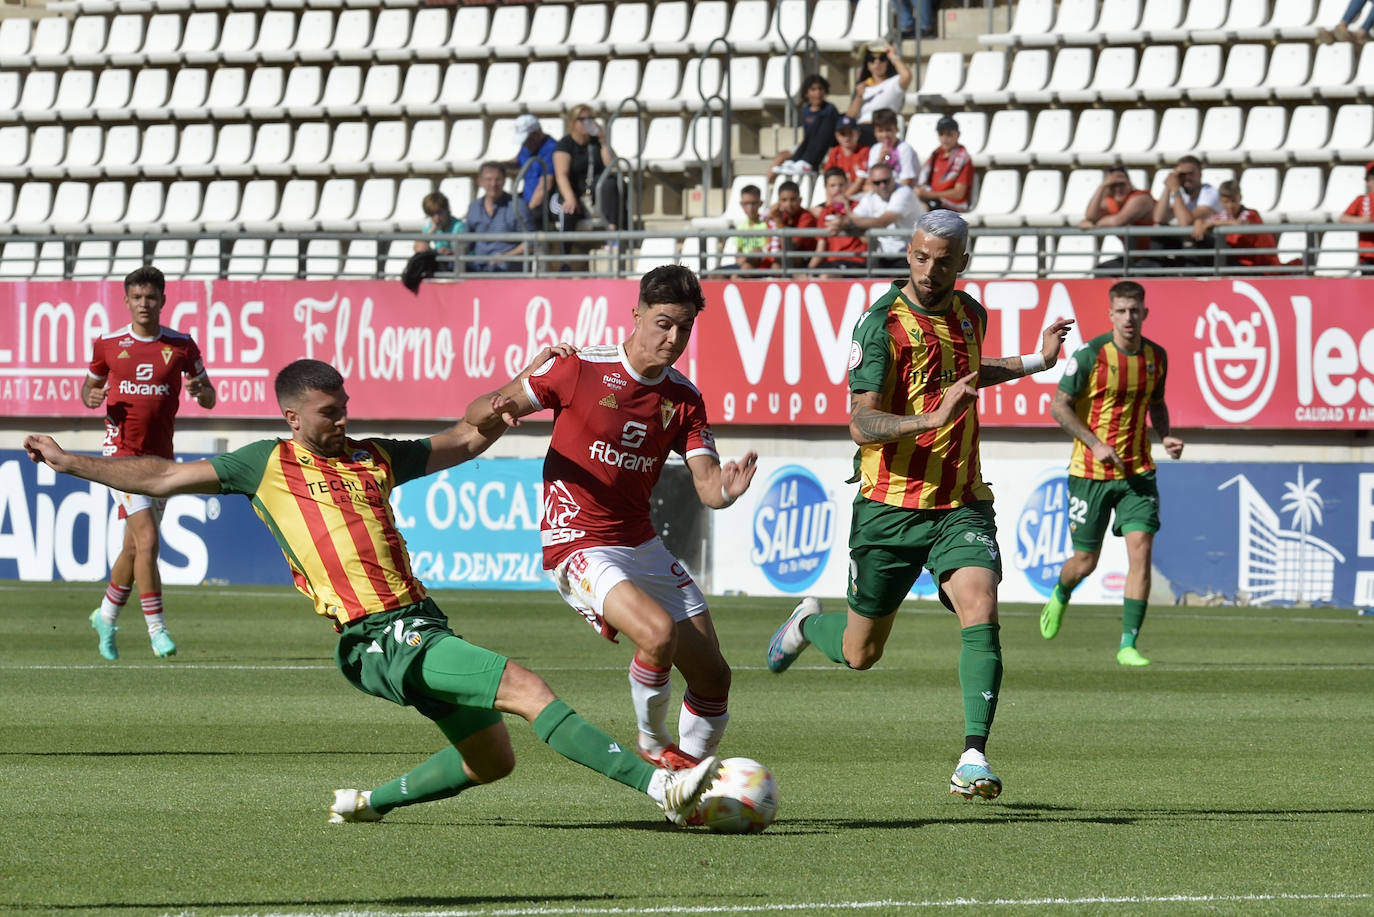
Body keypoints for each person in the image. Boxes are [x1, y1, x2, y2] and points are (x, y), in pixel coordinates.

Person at [25, 355, 721, 827]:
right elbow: (159, 477)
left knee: (493, 759)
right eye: (329, 411)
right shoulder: (262, 464)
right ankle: (660, 785)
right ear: (293, 418)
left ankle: (366, 802)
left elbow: (462, 439)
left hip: (416, 621)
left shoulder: (372, 455)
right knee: (525, 686)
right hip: (375, 636)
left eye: (345, 406)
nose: (342, 419)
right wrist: (68, 461)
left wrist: (515, 393)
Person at [764, 209, 1074, 801]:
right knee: (861, 653)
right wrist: (930, 418)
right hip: (889, 505)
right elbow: (860, 421)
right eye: (919, 256)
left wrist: (1035, 361)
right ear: (908, 253)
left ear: (964, 262)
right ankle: (809, 625)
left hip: (961, 499)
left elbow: (968, 372)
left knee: (981, 607)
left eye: (942, 260)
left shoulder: (971, 314)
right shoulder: (880, 325)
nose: (929, 270)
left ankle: (972, 756)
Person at [464, 265, 759, 772]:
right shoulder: (577, 368)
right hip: (576, 540)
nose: (673, 337)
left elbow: (709, 488)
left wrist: (727, 492)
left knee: (713, 676)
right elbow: (476, 414)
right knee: (657, 635)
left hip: (640, 544)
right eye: (663, 323)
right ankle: (652, 744)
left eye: (684, 328)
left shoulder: (683, 399)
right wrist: (498, 404)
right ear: (637, 314)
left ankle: (684, 788)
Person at [1040, 281, 1184, 667]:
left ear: (1145, 313)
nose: (1128, 318)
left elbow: (1157, 403)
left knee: (1141, 552)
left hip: (1138, 473)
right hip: (1090, 474)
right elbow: (1059, 408)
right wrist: (1095, 443)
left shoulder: (1157, 357)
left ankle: (1128, 645)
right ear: (1110, 314)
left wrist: (1166, 434)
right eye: (1121, 311)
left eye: (1135, 311)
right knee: (1085, 561)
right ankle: (1061, 591)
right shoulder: (1090, 356)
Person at [82, 265, 216, 660]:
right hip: (119, 455)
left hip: (161, 459)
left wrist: (201, 389)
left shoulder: (182, 346)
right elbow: (89, 387)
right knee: (150, 540)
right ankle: (156, 629)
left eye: (151, 297)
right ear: (126, 300)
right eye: (137, 297)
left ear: (163, 300)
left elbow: (208, 398)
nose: (144, 304)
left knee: (132, 548)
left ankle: (105, 616)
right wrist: (90, 397)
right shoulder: (108, 344)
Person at [831, 162, 923, 272]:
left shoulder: (904, 193)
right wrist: (840, 221)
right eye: (877, 182)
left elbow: (883, 222)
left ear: (893, 179)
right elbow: (854, 217)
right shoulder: (870, 197)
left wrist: (848, 222)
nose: (882, 185)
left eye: (886, 181)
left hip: (910, 257)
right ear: (871, 183)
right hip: (883, 257)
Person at [553, 104, 618, 233]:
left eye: (590, 118)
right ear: (572, 123)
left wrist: (603, 140)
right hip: (573, 191)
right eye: (582, 119)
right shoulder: (565, 144)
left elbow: (611, 166)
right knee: (568, 211)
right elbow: (561, 175)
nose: (587, 122)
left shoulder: (596, 142)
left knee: (611, 183)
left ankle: (613, 232)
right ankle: (565, 251)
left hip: (594, 191)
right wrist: (570, 197)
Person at [1079, 167, 1157, 273]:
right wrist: (1102, 186)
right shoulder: (1113, 202)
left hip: (1157, 255)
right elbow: (1090, 216)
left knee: (1136, 273)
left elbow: (1117, 222)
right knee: (1101, 271)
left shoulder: (1141, 198)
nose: (1117, 189)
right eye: (1113, 185)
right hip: (1134, 257)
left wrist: (1094, 224)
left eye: (1121, 184)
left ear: (1129, 183)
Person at [1194, 180, 1280, 271]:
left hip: (1255, 265)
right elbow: (1207, 222)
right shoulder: (1223, 216)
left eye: (1233, 201)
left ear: (1240, 198)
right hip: (1236, 261)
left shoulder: (1251, 214)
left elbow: (1240, 223)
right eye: (1226, 202)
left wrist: (1213, 223)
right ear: (1220, 201)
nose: (1230, 206)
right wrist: (1198, 222)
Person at [1150, 155, 1220, 266]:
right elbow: (1158, 218)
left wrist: (1175, 189)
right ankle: (1152, 270)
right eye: (1182, 174)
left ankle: (1190, 275)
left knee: (1189, 238)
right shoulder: (1178, 192)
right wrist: (1168, 187)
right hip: (1182, 242)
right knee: (1158, 231)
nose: (1187, 177)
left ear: (1200, 174)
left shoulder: (1210, 192)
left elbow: (1186, 222)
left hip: (1205, 244)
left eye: (1191, 173)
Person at [767, 74, 840, 181]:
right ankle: (767, 182)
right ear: (807, 93)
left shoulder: (829, 109)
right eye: (813, 89)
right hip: (807, 144)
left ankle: (804, 163)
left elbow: (828, 134)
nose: (817, 93)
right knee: (781, 156)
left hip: (824, 145)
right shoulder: (805, 110)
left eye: (820, 89)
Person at [846, 43, 912, 148]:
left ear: (887, 62)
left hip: (882, 128)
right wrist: (858, 97)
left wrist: (892, 56)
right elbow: (850, 117)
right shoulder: (863, 87)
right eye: (872, 59)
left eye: (882, 59)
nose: (877, 63)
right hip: (861, 129)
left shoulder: (893, 83)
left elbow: (906, 76)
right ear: (867, 64)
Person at [465, 162, 524, 272]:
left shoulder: (518, 206)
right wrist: (451, 252)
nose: (493, 184)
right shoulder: (474, 207)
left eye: (498, 179)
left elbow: (531, 243)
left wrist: (506, 256)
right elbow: (466, 242)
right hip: (478, 267)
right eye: (488, 179)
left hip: (507, 269)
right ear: (480, 182)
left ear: (504, 181)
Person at [810, 167, 868, 277]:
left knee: (826, 277)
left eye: (841, 185)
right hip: (832, 262)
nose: (837, 189)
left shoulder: (859, 207)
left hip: (855, 261)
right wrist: (809, 271)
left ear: (847, 185)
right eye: (832, 185)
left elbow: (866, 240)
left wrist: (847, 211)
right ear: (826, 188)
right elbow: (821, 247)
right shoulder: (825, 212)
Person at [915, 115, 974, 213]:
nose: (944, 138)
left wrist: (928, 194)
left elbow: (959, 194)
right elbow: (924, 181)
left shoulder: (964, 159)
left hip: (950, 206)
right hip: (933, 200)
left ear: (957, 135)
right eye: (941, 134)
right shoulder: (935, 155)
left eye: (949, 134)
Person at [763, 180, 819, 274]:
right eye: (784, 200)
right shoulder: (780, 215)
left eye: (792, 200)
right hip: (785, 257)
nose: (788, 204)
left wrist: (778, 222)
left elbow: (790, 246)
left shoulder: (806, 217)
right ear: (779, 202)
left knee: (777, 263)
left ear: (800, 200)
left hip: (805, 259)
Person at [512, 114, 557, 228]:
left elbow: (545, 185)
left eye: (528, 139)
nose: (525, 143)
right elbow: (518, 161)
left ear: (537, 133)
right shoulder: (527, 147)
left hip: (541, 204)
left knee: (533, 217)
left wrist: (527, 210)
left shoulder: (551, 149)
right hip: (527, 199)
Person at [865, 108, 919, 189]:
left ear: (896, 129)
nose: (885, 135)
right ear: (875, 132)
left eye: (888, 130)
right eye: (880, 131)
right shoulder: (875, 149)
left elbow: (907, 181)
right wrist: (879, 162)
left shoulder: (905, 149)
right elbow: (870, 181)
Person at [820, 115, 872, 200]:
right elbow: (828, 180)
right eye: (843, 133)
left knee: (869, 188)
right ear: (836, 135)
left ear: (858, 133)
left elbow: (861, 180)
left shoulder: (865, 151)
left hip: (857, 194)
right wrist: (829, 203)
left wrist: (844, 197)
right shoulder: (834, 152)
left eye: (850, 133)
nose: (847, 137)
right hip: (838, 193)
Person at [1337, 161, 1374, 275]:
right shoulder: (1362, 199)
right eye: (1373, 178)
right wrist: (1361, 221)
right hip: (1367, 257)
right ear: (1367, 181)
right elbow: (1343, 218)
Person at [730, 184, 770, 275]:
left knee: (751, 259)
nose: (750, 207)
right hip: (743, 264)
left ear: (760, 204)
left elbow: (766, 249)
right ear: (741, 204)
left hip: (760, 264)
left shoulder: (767, 225)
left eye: (754, 203)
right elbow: (739, 251)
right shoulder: (741, 227)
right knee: (715, 274)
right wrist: (741, 259)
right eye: (746, 203)